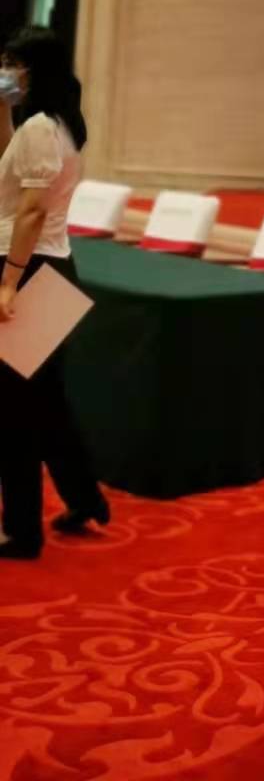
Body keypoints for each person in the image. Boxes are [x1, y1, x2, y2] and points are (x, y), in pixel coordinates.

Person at [0, 27, 110, 561]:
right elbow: (10, 169)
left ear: (34, 68)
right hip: (54, 265)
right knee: (45, 402)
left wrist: (8, 281)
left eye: (12, 62)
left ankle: (21, 530)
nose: (6, 70)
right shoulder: (55, 123)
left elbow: (31, 211)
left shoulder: (42, 127)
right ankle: (85, 498)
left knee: (12, 410)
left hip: (30, 268)